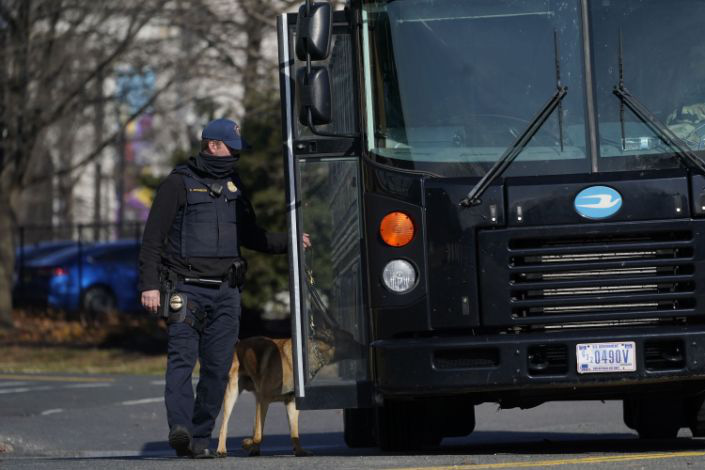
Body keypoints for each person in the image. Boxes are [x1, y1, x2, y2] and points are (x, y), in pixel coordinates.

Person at [138, 118, 290, 458]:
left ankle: (200, 437)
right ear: (213, 146)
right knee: (181, 361)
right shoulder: (177, 184)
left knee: (219, 368)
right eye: (232, 149)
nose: (236, 156)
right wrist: (149, 286)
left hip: (226, 292)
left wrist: (289, 242)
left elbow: (251, 235)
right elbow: (152, 241)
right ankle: (180, 428)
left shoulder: (235, 185)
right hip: (185, 290)